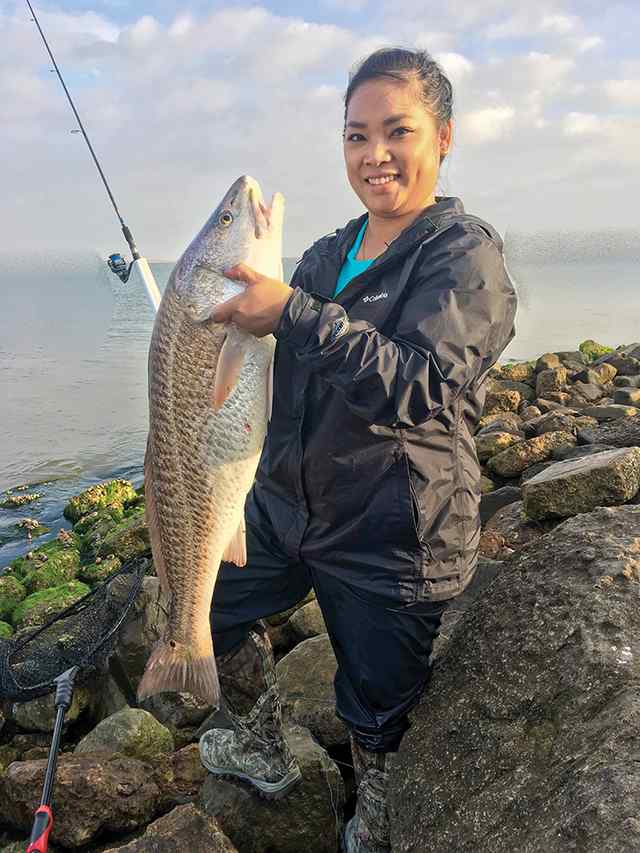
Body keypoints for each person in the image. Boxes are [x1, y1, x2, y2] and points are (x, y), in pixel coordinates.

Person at [198, 46, 518, 853]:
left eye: (396, 131)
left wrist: (295, 317)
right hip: (290, 504)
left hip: (393, 530)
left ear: (443, 137)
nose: (374, 154)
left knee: (379, 702)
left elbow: (429, 390)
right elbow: (263, 363)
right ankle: (262, 737)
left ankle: (377, 811)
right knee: (201, 601)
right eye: (355, 135)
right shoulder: (325, 254)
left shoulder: (463, 255)